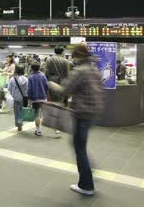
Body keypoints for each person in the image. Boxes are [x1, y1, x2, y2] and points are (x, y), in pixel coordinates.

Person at [49, 44, 104, 196]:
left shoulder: (80, 71)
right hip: (93, 112)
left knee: (79, 148)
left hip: (82, 113)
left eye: (74, 56)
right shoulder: (94, 70)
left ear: (78, 56)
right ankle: (89, 170)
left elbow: (63, 91)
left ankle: (86, 185)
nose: (73, 59)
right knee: (79, 144)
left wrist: (50, 84)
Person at [27, 62, 48, 136]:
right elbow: (46, 86)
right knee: (40, 114)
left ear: (32, 68)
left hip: (35, 99)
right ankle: (39, 128)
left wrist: (29, 100)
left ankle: (38, 130)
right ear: (39, 68)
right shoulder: (43, 75)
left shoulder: (30, 77)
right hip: (43, 98)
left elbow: (29, 89)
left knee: (36, 115)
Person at [8, 65, 28, 131]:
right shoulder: (26, 79)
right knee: (22, 111)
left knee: (16, 112)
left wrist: (12, 94)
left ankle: (18, 125)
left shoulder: (12, 79)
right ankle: (21, 122)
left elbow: (9, 88)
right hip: (23, 98)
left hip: (15, 98)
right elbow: (27, 89)